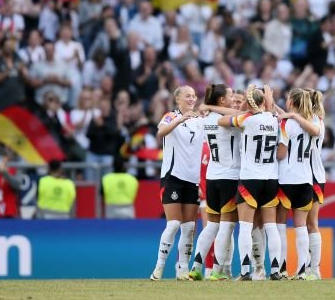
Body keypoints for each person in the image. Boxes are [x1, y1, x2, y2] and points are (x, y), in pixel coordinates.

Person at [216, 85, 283, 280]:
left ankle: (245, 271)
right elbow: (272, 110)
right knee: (271, 227)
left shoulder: (247, 119)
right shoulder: (274, 119)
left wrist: (243, 110)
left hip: (250, 178)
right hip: (271, 178)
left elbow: (221, 121)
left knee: (245, 227)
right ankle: (276, 270)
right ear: (265, 101)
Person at [150, 86, 203, 281]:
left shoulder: (200, 121)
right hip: (173, 177)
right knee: (173, 224)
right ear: (178, 99)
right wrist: (181, 119)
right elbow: (161, 133)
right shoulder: (170, 116)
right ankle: (159, 267)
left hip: (193, 180)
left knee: (189, 228)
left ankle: (182, 269)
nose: (192, 98)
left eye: (194, 95)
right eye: (188, 95)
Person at [188, 83, 239, 281]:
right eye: (231, 95)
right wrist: (212, 107)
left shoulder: (206, 119)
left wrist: (209, 107)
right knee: (227, 226)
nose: (234, 98)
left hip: (212, 176)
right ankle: (218, 270)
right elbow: (239, 113)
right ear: (222, 100)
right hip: (229, 176)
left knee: (211, 226)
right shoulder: (226, 118)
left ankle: (196, 267)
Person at [274, 88, 321, 280]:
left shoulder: (286, 124)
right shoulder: (314, 121)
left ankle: (282, 268)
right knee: (301, 226)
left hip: (286, 179)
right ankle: (303, 270)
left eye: (287, 99)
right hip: (305, 179)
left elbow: (282, 153)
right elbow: (314, 131)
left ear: (292, 103)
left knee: (280, 224)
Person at [306, 89, 326, 280]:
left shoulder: (314, 121)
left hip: (313, 176)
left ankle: (315, 269)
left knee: (311, 223)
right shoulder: (309, 119)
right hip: (304, 175)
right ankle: (306, 268)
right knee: (303, 224)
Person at [102, 154, 139, 218]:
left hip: (111, 208)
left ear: (112, 165)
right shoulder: (132, 179)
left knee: (112, 227)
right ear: (124, 166)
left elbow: (101, 194)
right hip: (128, 208)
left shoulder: (106, 178)